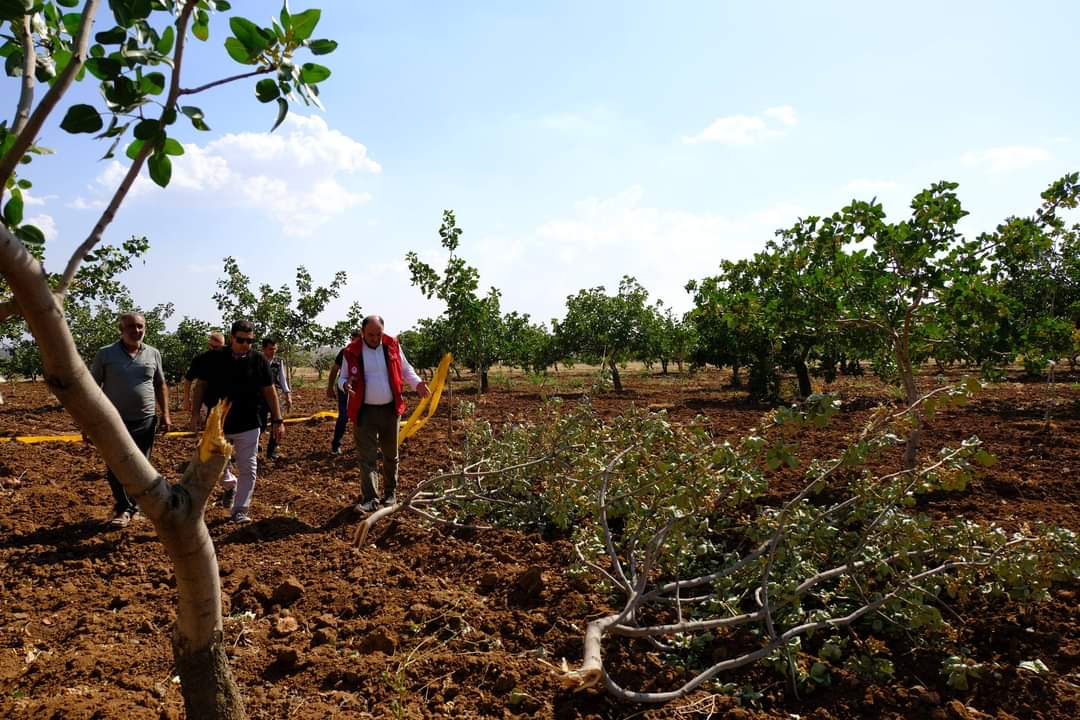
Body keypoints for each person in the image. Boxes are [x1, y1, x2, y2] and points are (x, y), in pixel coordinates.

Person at [191, 320, 284, 523]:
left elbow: (269, 390)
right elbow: (201, 386)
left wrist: (278, 419)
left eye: (250, 341)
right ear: (232, 338)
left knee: (248, 467)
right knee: (211, 464)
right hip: (218, 423)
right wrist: (195, 412)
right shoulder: (214, 358)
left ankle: (240, 509)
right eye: (241, 340)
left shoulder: (258, 360)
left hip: (249, 423)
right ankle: (229, 484)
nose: (246, 344)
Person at [337, 315, 429, 513]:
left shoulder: (392, 345)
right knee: (367, 458)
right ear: (362, 333)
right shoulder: (351, 351)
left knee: (390, 455)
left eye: (378, 334)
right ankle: (370, 498)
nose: (375, 338)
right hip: (364, 411)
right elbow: (342, 377)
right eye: (370, 335)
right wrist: (345, 385)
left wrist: (418, 384)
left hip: (390, 409)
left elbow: (406, 370)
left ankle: (390, 494)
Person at [90, 312, 172, 528]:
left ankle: (132, 507)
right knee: (116, 466)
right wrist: (88, 421)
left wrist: (165, 414)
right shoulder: (105, 354)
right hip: (113, 422)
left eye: (140, 327)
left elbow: (160, 384)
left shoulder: (153, 354)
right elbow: (91, 387)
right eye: (131, 327)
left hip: (145, 421)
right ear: (121, 329)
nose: (136, 331)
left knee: (140, 466)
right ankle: (123, 507)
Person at [326, 328, 362, 454]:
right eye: (352, 340)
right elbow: (335, 370)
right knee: (344, 416)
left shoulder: (366, 352)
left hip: (362, 388)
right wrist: (330, 387)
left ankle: (364, 443)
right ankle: (336, 445)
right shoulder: (345, 352)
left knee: (364, 415)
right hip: (345, 387)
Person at [259, 337, 292, 459]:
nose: (273, 351)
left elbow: (282, 379)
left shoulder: (278, 362)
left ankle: (271, 451)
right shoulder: (258, 361)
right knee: (260, 424)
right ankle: (254, 444)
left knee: (277, 423)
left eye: (275, 349)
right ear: (263, 349)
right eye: (270, 349)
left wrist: (288, 395)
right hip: (260, 397)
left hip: (275, 397)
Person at [182, 331, 225, 416]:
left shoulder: (231, 357)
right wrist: (186, 399)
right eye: (214, 347)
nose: (216, 350)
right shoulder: (201, 359)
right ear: (209, 345)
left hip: (228, 402)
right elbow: (188, 379)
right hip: (209, 401)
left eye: (219, 347)